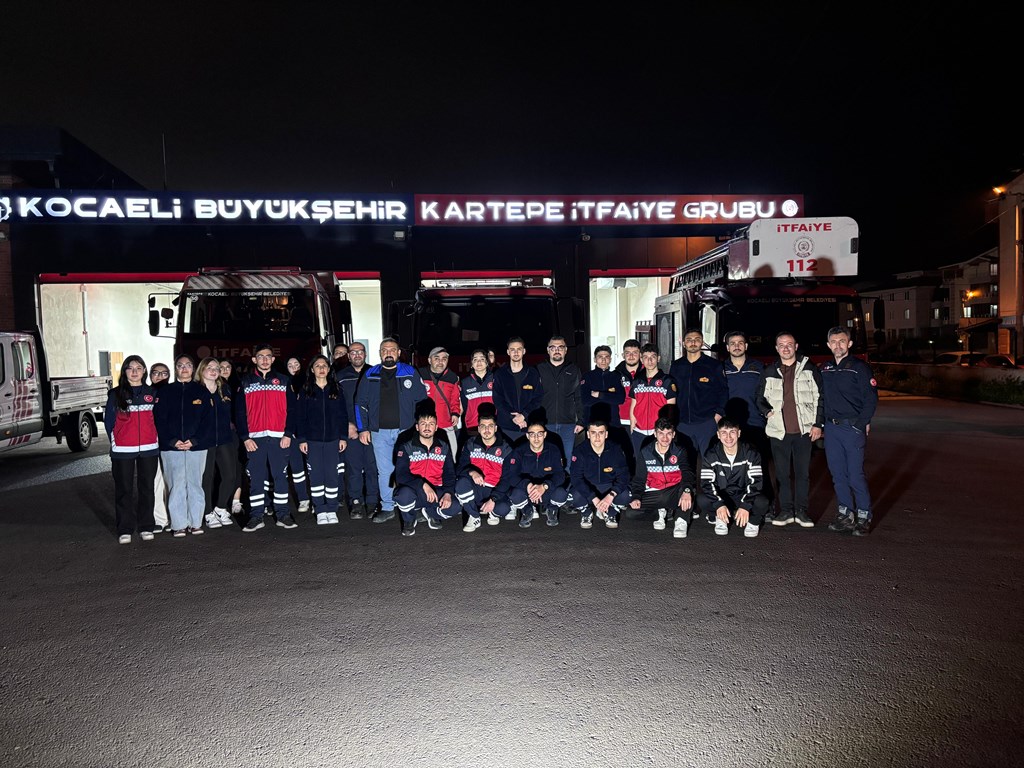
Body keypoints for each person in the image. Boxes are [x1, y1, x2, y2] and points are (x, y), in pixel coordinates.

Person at [353, 337, 428, 524]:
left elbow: (422, 401)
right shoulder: (370, 374)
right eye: (385, 350)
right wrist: (363, 429)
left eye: (392, 350)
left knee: (412, 468)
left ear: (399, 353)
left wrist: (420, 427)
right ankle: (387, 507)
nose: (388, 353)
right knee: (385, 471)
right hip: (380, 433)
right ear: (380, 353)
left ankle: (416, 506)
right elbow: (360, 403)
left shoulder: (410, 372)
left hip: (406, 431)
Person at [755, 332, 823, 529]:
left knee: (802, 474)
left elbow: (821, 397)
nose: (785, 348)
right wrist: (766, 412)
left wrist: (818, 424)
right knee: (782, 474)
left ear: (796, 346)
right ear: (777, 348)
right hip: (779, 432)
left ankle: (802, 512)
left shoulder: (809, 369)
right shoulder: (769, 371)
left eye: (789, 344)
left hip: (803, 431)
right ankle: (785, 510)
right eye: (781, 345)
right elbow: (758, 397)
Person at [820, 326, 878, 536]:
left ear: (849, 343)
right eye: (834, 342)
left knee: (855, 475)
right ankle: (845, 514)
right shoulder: (825, 369)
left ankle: (864, 515)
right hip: (832, 429)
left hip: (851, 428)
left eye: (842, 341)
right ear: (828, 345)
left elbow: (871, 399)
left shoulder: (859, 368)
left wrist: (860, 424)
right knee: (838, 474)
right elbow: (820, 398)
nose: (838, 345)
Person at [235, 343, 298, 532]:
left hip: (280, 438)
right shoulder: (245, 382)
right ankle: (256, 516)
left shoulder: (284, 380)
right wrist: (245, 438)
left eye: (268, 356)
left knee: (280, 477)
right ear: (254, 359)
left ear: (273, 359)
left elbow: (292, 410)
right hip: (254, 439)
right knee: (256, 478)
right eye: (261, 356)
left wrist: (288, 434)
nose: (264, 359)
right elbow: (239, 413)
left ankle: (283, 515)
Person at [153, 354, 210, 537]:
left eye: (188, 365)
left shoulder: (201, 392)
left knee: (195, 484)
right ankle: (178, 524)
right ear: (175, 368)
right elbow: (159, 420)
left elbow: (207, 421)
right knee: (176, 485)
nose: (184, 368)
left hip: (196, 448)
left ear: (193, 369)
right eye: (180, 365)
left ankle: (195, 523)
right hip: (171, 448)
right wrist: (171, 440)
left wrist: (195, 440)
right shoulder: (165, 392)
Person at [104, 355, 159, 544]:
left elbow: (158, 420)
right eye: (130, 368)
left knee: (147, 489)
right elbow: (109, 422)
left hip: (149, 448)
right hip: (122, 450)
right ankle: (125, 529)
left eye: (138, 368)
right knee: (124, 490)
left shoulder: (152, 393)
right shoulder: (115, 394)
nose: (134, 371)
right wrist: (116, 442)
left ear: (144, 371)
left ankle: (146, 526)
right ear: (124, 371)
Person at [295, 355, 349, 525]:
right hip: (313, 441)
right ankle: (320, 509)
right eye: (317, 366)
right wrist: (302, 439)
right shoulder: (306, 390)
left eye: (324, 365)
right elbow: (300, 417)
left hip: (333, 440)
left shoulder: (337, 389)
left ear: (329, 368)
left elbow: (343, 415)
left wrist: (343, 437)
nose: (321, 368)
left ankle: (332, 508)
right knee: (316, 476)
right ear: (312, 370)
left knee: (332, 475)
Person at [393, 404, 460, 536]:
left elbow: (449, 474)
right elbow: (401, 475)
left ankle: (431, 513)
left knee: (456, 506)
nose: (427, 427)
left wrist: (448, 493)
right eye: (423, 424)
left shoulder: (444, 447)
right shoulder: (406, 447)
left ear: (436, 427)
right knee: (403, 495)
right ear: (417, 427)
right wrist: (422, 484)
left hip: (436, 491)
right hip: (414, 490)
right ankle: (409, 520)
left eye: (431, 424)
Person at [698, 419, 769, 537]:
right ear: (718, 435)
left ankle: (754, 521)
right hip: (723, 495)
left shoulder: (751, 453)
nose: (728, 437)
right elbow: (706, 483)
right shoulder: (711, 454)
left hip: (743, 494)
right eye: (724, 433)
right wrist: (719, 504)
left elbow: (756, 482)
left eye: (732, 432)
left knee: (762, 502)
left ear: (739, 433)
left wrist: (745, 505)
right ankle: (719, 517)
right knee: (702, 499)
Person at [628, 416, 696, 539]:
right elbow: (639, 479)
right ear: (655, 434)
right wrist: (636, 497)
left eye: (668, 434)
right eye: (661, 433)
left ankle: (681, 520)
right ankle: (660, 512)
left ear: (673, 434)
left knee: (688, 491)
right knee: (631, 512)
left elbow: (687, 473)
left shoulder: (679, 451)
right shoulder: (645, 452)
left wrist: (687, 490)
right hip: (656, 492)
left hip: (675, 491)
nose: (665, 438)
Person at [668, 328, 728, 463]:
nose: (693, 343)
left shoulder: (714, 365)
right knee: (685, 463)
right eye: (689, 340)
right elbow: (671, 392)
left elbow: (723, 391)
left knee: (710, 462)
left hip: (707, 422)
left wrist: (718, 415)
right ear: (684, 343)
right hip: (682, 423)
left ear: (702, 342)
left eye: (697, 340)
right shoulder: (676, 366)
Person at [195, 357, 238, 530]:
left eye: (217, 368)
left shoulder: (225, 388)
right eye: (210, 367)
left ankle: (220, 508)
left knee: (230, 476)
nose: (214, 371)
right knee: (207, 478)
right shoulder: (195, 389)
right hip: (204, 441)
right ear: (202, 369)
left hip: (224, 438)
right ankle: (207, 512)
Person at [454, 404, 513, 532]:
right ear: (478, 428)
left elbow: (507, 479)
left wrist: (493, 499)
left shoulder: (506, 448)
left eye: (490, 426)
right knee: (461, 484)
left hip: (494, 489)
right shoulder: (470, 444)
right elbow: (459, 469)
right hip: (475, 488)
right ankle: (474, 516)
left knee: (504, 509)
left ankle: (492, 512)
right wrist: (472, 472)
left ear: (495, 428)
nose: (487, 430)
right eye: (483, 426)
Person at [337, 341, 379, 519]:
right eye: (353, 352)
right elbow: (336, 404)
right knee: (353, 468)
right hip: (351, 430)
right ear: (348, 356)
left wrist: (372, 427)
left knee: (372, 467)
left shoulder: (376, 373)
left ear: (365, 354)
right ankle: (355, 502)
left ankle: (372, 502)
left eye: (360, 352)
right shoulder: (340, 376)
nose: (357, 355)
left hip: (372, 430)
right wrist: (346, 424)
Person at [505, 414, 568, 528]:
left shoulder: (553, 449)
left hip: (546, 490)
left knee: (561, 493)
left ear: (545, 435)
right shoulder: (519, 450)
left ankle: (551, 509)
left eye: (539, 434)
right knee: (515, 495)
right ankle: (527, 510)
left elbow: (560, 475)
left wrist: (545, 486)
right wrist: (528, 485)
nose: (536, 438)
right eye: (532, 434)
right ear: (527, 436)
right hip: (528, 491)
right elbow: (512, 476)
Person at [567, 419, 631, 530]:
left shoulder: (615, 449)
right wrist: (593, 498)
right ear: (588, 434)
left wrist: (611, 495)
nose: (597, 437)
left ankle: (610, 512)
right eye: (593, 433)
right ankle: (586, 513)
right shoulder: (580, 451)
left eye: (601, 433)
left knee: (626, 495)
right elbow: (576, 478)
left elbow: (624, 476)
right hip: (589, 486)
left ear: (606, 434)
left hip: (609, 486)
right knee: (575, 495)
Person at [536, 335, 584, 463]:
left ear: (565, 350)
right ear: (548, 350)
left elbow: (579, 397)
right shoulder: (539, 369)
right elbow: (533, 397)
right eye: (553, 347)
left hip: (568, 425)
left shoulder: (574, 369)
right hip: (545, 424)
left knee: (567, 461)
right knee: (547, 461)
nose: (557, 350)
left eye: (560, 347)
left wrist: (581, 421)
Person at [628, 343, 677, 460]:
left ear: (658, 358)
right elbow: (633, 403)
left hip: (658, 431)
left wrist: (666, 430)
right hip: (638, 431)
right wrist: (632, 422)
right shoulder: (637, 381)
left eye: (653, 357)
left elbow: (671, 408)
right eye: (646, 357)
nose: (649, 361)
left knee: (658, 462)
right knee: (639, 463)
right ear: (641, 359)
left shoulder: (667, 381)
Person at [492, 336, 542, 445]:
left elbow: (538, 399)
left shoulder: (533, 373)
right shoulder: (500, 374)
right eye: (512, 349)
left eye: (519, 349)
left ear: (524, 351)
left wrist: (523, 415)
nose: (516, 352)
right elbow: (498, 400)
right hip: (506, 427)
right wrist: (513, 417)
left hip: (528, 427)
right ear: (508, 352)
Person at [419, 346, 462, 456]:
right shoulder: (420, 374)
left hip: (445, 423)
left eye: (444, 359)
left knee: (453, 454)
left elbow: (455, 399)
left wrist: (455, 413)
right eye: (436, 358)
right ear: (429, 360)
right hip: (425, 425)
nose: (440, 362)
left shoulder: (452, 377)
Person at [284, 357, 311, 514]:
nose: (294, 367)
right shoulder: (285, 384)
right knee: (297, 467)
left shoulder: (310, 382)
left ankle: (317, 499)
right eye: (290, 365)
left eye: (296, 364)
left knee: (314, 467)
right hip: (293, 433)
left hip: (311, 431)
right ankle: (303, 499)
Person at [218, 359, 244, 516]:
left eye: (228, 367)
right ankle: (220, 503)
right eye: (221, 367)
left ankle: (236, 500)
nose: (225, 369)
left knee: (236, 465)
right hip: (219, 433)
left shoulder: (239, 385)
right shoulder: (213, 387)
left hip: (236, 432)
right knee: (222, 470)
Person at [148, 361, 171, 533]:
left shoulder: (174, 391)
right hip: (151, 443)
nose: (160, 376)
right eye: (156, 373)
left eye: (164, 373)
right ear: (150, 375)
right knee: (156, 481)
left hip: (171, 443)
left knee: (172, 482)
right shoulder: (145, 393)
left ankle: (174, 516)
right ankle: (160, 519)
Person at [613, 339, 642, 470]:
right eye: (627, 353)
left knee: (641, 455)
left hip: (642, 422)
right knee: (623, 456)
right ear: (623, 355)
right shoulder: (615, 374)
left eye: (634, 352)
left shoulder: (648, 372)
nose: (631, 356)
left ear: (640, 354)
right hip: (621, 422)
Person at [581, 344, 625, 425]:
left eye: (606, 357)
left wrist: (599, 394)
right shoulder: (587, 376)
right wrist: (610, 397)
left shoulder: (616, 376)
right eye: (600, 357)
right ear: (595, 359)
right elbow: (585, 400)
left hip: (613, 422)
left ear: (610, 359)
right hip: (593, 423)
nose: (603, 360)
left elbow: (620, 399)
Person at [459, 348, 494, 444]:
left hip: (492, 426)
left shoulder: (495, 379)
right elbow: (462, 407)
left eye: (482, 359)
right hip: (473, 427)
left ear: (487, 362)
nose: (479, 362)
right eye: (475, 360)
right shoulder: (465, 382)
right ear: (471, 364)